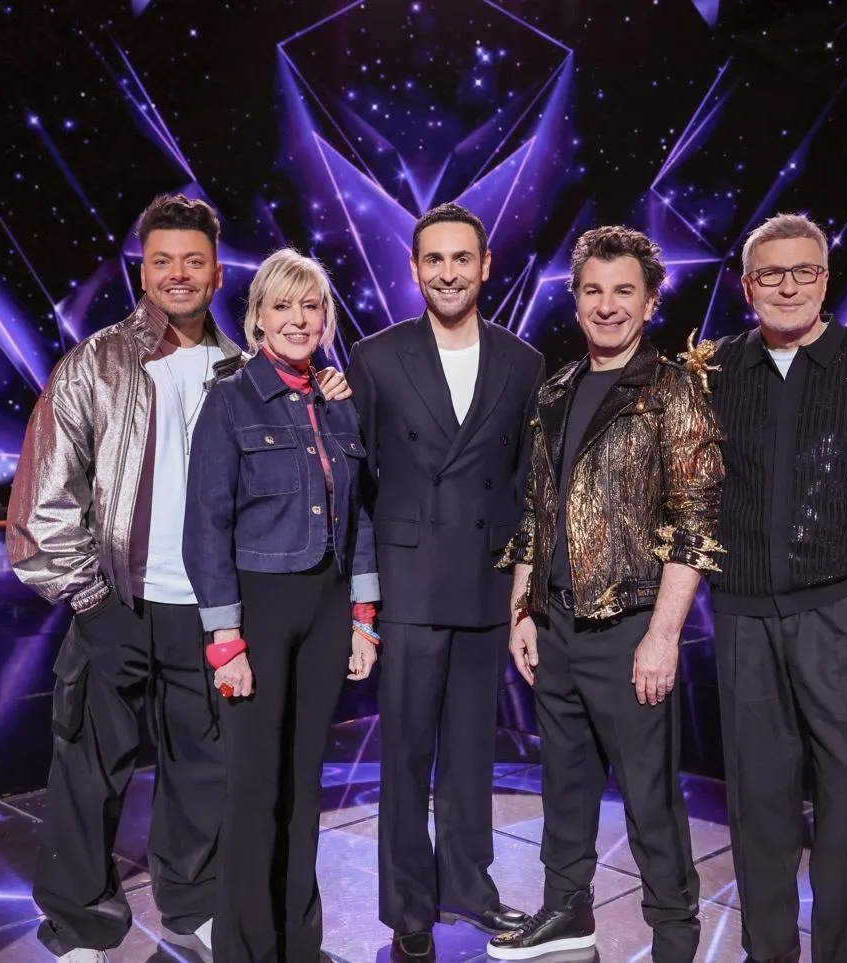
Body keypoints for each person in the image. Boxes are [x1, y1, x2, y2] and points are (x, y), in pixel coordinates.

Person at [6, 195, 350, 962]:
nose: (179, 274)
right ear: (143, 271)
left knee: (203, 768)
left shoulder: (243, 370)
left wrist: (330, 393)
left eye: (194, 260)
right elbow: (42, 497)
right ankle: (78, 922)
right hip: (118, 601)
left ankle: (192, 902)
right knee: (91, 766)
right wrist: (89, 596)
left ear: (218, 272)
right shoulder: (96, 364)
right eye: (163, 260)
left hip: (210, 607)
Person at [707, 212, 847, 963]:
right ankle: (768, 953)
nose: (788, 286)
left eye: (803, 270)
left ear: (825, 278)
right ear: (747, 287)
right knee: (759, 807)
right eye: (770, 273)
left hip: (843, 616)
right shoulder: (716, 369)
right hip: (745, 619)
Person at [488, 226, 725, 963]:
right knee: (564, 783)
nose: (607, 304)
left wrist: (662, 635)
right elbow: (535, 511)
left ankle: (675, 937)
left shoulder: (672, 390)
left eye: (624, 291)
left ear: (650, 302)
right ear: (576, 298)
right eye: (593, 290)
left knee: (650, 797)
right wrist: (523, 610)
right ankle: (567, 912)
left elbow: (696, 523)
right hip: (555, 623)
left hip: (631, 628)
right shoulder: (556, 390)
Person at [347, 202, 544, 963]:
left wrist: (523, 601)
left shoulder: (523, 363)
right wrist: (362, 604)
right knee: (404, 756)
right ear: (414, 269)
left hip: (485, 583)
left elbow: (526, 491)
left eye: (463, 258)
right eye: (435, 259)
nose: (449, 272)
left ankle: (470, 884)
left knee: (471, 754)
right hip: (407, 585)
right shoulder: (375, 357)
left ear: (486, 265)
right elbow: (357, 488)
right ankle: (408, 905)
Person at [182, 248, 380, 963]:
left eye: (311, 306)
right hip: (258, 613)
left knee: (303, 787)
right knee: (254, 789)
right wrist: (225, 640)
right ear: (258, 317)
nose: (299, 319)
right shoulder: (230, 400)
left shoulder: (335, 401)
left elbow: (360, 516)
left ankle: (300, 943)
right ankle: (245, 948)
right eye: (283, 306)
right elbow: (205, 526)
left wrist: (363, 619)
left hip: (327, 610)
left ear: (325, 317)